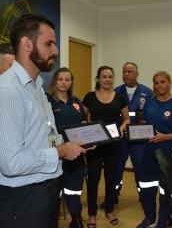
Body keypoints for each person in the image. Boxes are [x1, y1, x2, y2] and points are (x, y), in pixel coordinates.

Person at [0, 14, 93, 228]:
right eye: (49, 43)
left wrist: (75, 141)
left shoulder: (37, 87)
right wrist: (61, 152)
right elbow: (11, 163)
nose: (56, 50)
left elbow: (43, 137)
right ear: (26, 44)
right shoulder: (8, 91)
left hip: (47, 191)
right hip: (23, 199)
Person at [137, 71, 172, 228]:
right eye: (156, 83)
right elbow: (144, 123)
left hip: (169, 153)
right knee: (146, 186)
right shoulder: (150, 102)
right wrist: (137, 131)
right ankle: (150, 218)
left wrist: (165, 137)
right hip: (149, 151)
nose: (159, 85)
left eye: (162, 82)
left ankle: (162, 222)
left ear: (170, 83)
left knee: (166, 191)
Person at [99, 62, 152, 208]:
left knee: (141, 167)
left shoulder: (147, 92)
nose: (126, 74)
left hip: (138, 139)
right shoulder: (115, 91)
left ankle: (144, 197)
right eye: (124, 71)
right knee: (115, 167)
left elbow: (150, 115)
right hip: (120, 138)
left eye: (130, 71)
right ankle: (113, 196)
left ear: (137, 74)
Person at [82, 66, 130, 227]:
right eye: (104, 77)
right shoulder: (89, 97)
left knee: (111, 179)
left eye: (110, 76)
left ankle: (109, 210)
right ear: (98, 79)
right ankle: (92, 214)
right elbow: (82, 119)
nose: (108, 80)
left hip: (114, 145)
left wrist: (121, 130)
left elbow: (126, 119)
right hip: (94, 146)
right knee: (93, 180)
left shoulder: (119, 97)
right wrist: (91, 128)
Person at [47, 67, 87, 228]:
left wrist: (89, 141)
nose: (64, 83)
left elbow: (84, 124)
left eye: (67, 80)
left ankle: (76, 219)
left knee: (74, 188)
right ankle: (51, 220)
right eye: (61, 79)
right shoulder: (47, 100)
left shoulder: (76, 101)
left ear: (71, 82)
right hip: (56, 153)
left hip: (76, 153)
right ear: (55, 80)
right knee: (54, 190)